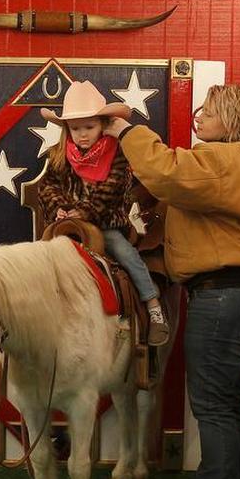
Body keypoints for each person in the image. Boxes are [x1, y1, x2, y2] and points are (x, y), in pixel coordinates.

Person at [104, 84, 240, 479]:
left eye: (210, 111)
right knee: (228, 404)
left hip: (224, 296)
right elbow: (176, 186)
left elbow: (167, 171)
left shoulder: (225, 159)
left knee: (215, 409)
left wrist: (125, 129)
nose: (198, 116)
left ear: (233, 121)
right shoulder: (239, 161)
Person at [37, 80, 169, 346]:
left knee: (125, 254)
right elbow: (47, 186)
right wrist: (61, 208)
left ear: (103, 126)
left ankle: (154, 308)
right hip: (69, 223)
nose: (82, 134)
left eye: (89, 127)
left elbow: (112, 190)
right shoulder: (59, 155)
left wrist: (82, 211)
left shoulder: (117, 154)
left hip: (105, 224)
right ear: (66, 130)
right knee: (40, 257)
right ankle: (39, 316)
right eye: (75, 128)